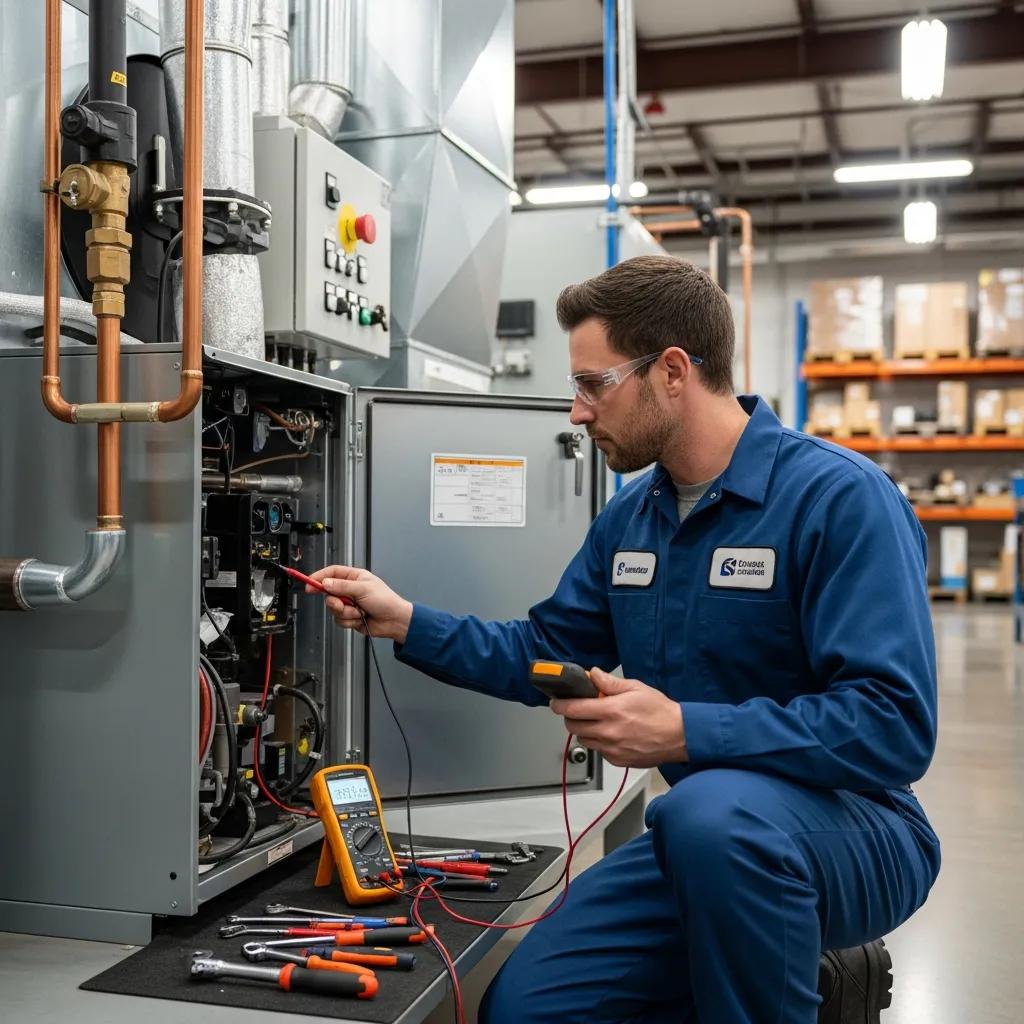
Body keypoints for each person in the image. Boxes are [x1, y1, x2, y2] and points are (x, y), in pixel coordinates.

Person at [309, 255, 941, 1023]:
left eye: (593, 385)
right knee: (526, 1008)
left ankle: (799, 977)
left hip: (857, 830)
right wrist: (406, 619)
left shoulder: (839, 500)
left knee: (704, 814)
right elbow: (543, 654)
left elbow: (894, 726)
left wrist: (683, 728)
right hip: (709, 843)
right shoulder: (631, 521)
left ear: (673, 371)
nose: (576, 413)